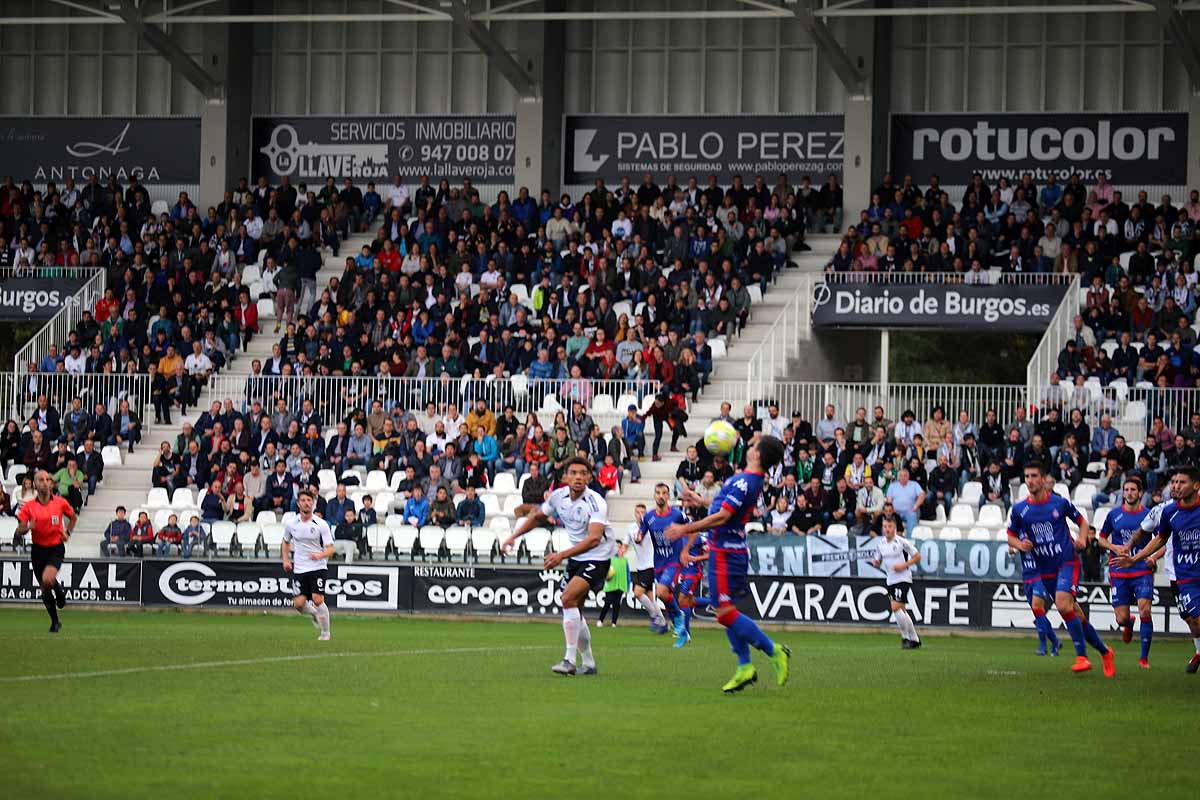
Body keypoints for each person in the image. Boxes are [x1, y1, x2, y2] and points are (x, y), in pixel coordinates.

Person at [668, 435, 792, 693]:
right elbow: (722, 507)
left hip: (725, 552)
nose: (749, 445)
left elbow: (722, 516)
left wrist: (684, 529)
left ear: (757, 455)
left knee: (724, 613)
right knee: (725, 610)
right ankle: (745, 666)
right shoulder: (748, 480)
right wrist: (700, 500)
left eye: (754, 444)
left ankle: (773, 650)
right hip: (727, 550)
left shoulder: (745, 482)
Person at [502, 457, 612, 676]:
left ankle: (569, 661)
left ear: (589, 477)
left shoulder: (596, 502)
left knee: (567, 599)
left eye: (583, 473)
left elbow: (594, 539)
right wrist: (513, 536)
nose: (578, 477)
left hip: (598, 558)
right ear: (566, 477)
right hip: (577, 558)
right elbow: (536, 515)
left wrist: (560, 555)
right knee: (575, 610)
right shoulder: (558, 497)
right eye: (574, 472)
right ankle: (588, 663)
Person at [1007, 461, 1114, 676]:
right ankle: (1105, 652)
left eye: (1034, 476)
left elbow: (1083, 522)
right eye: (1026, 476)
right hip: (1044, 569)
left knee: (1064, 605)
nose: (1030, 481)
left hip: (1067, 562)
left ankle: (1082, 657)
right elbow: (1010, 535)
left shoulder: (1059, 504)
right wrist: (1020, 545)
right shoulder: (1020, 510)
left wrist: (1083, 539)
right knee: (1076, 616)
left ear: (1044, 479)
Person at [1115, 466, 1200, 674]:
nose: (1176, 486)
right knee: (1193, 619)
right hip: (1185, 577)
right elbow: (1159, 538)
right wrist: (1135, 558)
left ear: (1196, 486)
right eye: (1174, 482)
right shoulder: (1168, 511)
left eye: (1182, 482)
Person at [1096, 477, 1153, 668]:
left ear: (1140, 493)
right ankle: (1128, 623)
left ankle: (1143, 658)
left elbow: (1162, 539)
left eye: (1133, 490)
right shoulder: (1114, 515)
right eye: (1126, 489)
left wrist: (1153, 558)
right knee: (1121, 619)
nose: (1129, 493)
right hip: (1119, 569)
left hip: (1141, 569)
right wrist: (1113, 546)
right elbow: (1101, 538)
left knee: (1145, 609)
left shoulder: (1149, 515)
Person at [14, 470, 76, 633]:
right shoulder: (29, 506)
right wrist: (28, 527)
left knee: (47, 579)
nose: (45, 482)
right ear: (35, 484)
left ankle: (59, 591)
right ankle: (55, 621)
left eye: (48, 479)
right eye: (41, 479)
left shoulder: (60, 502)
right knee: (44, 587)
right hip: (38, 550)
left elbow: (73, 517)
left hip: (55, 547)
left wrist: (67, 533)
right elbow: (19, 529)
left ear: (51, 483)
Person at [638, 483, 690, 638]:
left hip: (674, 561)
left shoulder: (677, 515)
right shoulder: (649, 517)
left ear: (668, 496)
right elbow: (642, 532)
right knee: (663, 595)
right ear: (654, 495)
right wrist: (639, 538)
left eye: (664, 493)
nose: (661, 495)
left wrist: (685, 551)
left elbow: (693, 530)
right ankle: (679, 625)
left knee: (660, 591)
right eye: (658, 492)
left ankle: (678, 618)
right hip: (658, 563)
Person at [282, 489, 335, 641]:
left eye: (309, 500)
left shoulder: (321, 524)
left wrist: (320, 555)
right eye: (303, 500)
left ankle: (325, 633)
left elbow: (331, 548)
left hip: (318, 566)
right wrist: (285, 560)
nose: (307, 503)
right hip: (299, 568)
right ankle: (314, 614)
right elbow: (285, 542)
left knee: (318, 599)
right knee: (298, 604)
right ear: (298, 503)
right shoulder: (291, 524)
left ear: (313, 503)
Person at [870, 517, 923, 649]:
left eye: (890, 527)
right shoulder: (880, 544)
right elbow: (877, 560)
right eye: (885, 527)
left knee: (895, 608)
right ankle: (915, 639)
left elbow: (917, 556)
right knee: (901, 610)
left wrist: (904, 565)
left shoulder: (901, 542)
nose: (887, 529)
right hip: (890, 580)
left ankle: (905, 638)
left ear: (895, 528)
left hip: (903, 578)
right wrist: (876, 563)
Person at [624, 503, 666, 629]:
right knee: (650, 597)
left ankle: (655, 617)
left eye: (643, 512)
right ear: (635, 514)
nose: (640, 515)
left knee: (637, 592)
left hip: (651, 565)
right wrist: (620, 552)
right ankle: (663, 623)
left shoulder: (650, 527)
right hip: (641, 566)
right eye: (638, 512)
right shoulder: (630, 528)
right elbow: (626, 544)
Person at [675, 530, 710, 648]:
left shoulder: (700, 538)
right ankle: (715, 602)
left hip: (693, 573)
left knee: (681, 600)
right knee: (689, 601)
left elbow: (710, 554)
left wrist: (695, 559)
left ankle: (686, 633)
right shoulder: (679, 538)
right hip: (684, 573)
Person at [596, 541, 629, 628]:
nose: (618, 549)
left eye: (619, 547)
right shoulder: (609, 559)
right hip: (611, 585)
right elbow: (604, 571)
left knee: (617, 604)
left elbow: (627, 574)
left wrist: (628, 586)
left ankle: (614, 622)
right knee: (607, 603)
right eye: (616, 547)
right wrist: (607, 576)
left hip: (621, 585)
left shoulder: (625, 560)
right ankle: (600, 620)